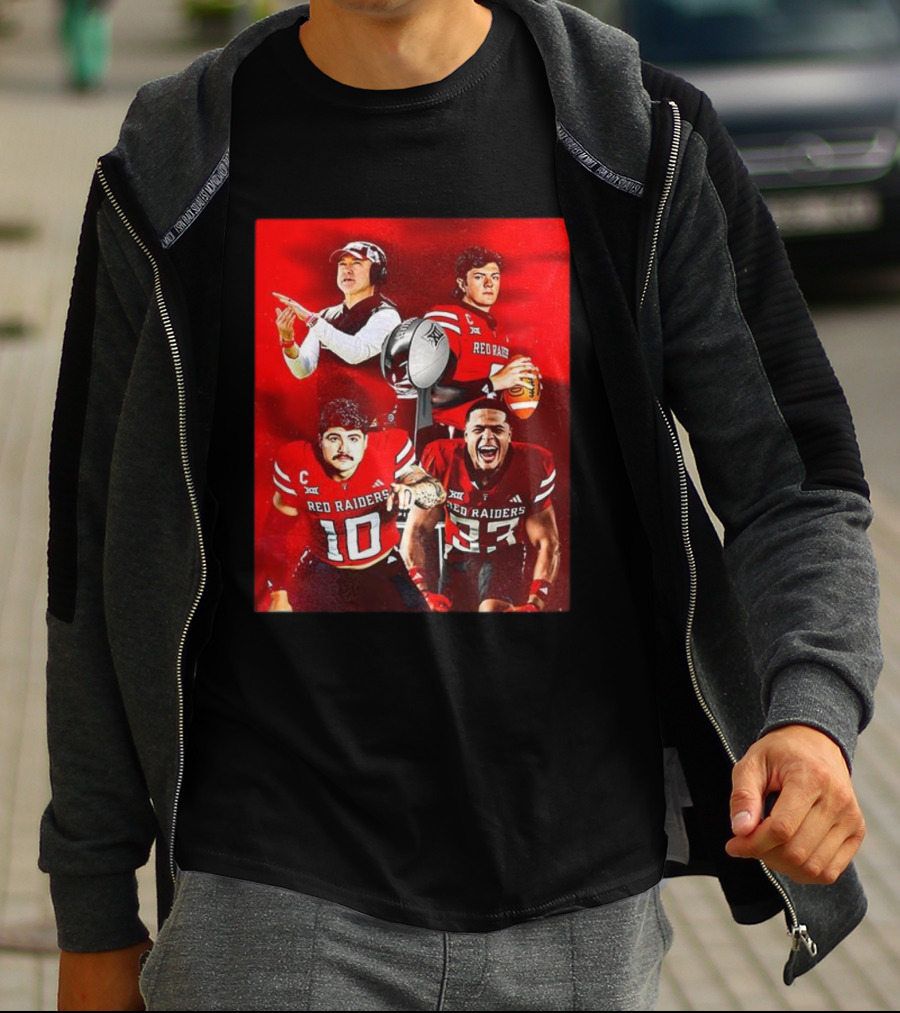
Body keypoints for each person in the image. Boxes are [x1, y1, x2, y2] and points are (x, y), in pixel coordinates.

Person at [41, 0, 880, 1010]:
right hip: (268, 898)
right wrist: (93, 906)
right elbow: (88, 557)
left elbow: (797, 479)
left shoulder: (636, 138)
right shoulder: (176, 164)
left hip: (580, 903)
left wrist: (813, 715)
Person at [262, 397, 445, 611]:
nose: (344, 448)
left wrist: (413, 490)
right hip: (324, 570)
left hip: (382, 567)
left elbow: (436, 491)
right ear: (320, 440)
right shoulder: (298, 462)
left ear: (366, 441)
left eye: (353, 438)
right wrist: (278, 593)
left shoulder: (387, 450)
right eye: (334, 438)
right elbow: (275, 533)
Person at [402, 400, 560, 611]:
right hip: (457, 555)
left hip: (505, 555)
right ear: (466, 435)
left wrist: (535, 603)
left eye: (497, 429)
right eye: (478, 429)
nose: (487, 436)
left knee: (491, 611)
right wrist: (421, 592)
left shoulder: (533, 463)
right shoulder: (441, 458)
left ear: (509, 435)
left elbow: (548, 542)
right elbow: (415, 531)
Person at [274, 239, 404, 426]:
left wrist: (311, 320)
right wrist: (287, 341)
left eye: (356, 264)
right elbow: (303, 369)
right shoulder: (325, 316)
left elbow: (355, 353)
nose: (346, 269)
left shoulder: (386, 315)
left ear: (376, 273)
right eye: (342, 264)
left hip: (375, 430)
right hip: (333, 428)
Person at [425, 246, 541, 432]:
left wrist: (522, 383)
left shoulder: (499, 332)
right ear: (462, 284)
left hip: (488, 438)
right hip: (450, 437)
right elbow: (434, 394)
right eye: (479, 277)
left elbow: (489, 388)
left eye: (494, 277)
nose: (489, 283)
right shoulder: (448, 317)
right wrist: (496, 382)